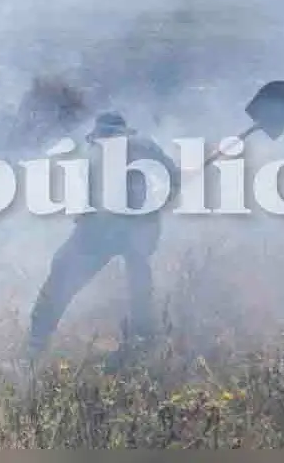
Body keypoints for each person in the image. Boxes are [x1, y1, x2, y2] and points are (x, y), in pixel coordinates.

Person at [27, 111, 181, 359]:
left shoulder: (138, 148)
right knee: (65, 273)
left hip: (127, 230)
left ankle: (143, 349)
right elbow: (174, 177)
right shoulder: (108, 154)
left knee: (136, 289)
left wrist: (162, 200)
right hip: (108, 229)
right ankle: (36, 346)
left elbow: (174, 177)